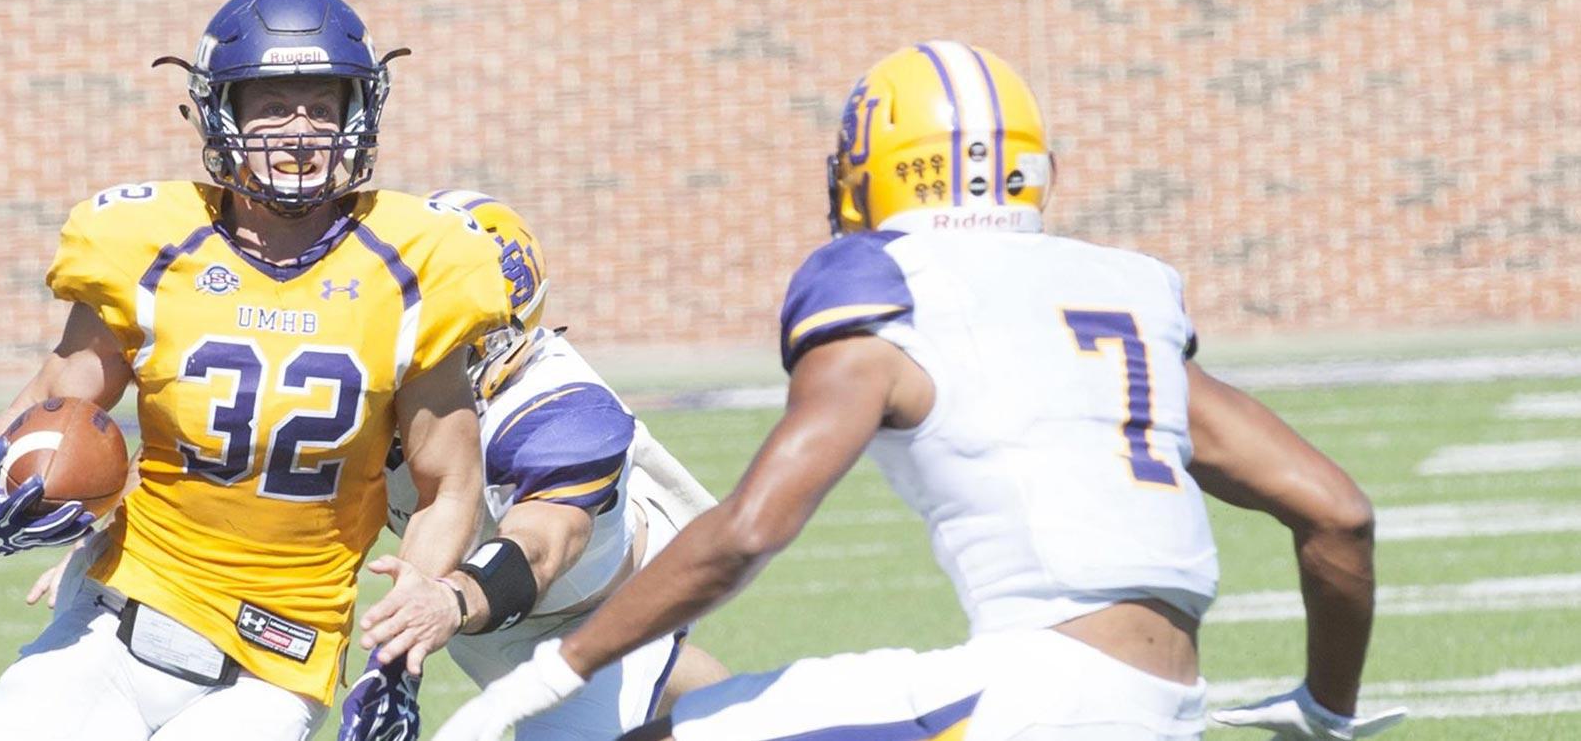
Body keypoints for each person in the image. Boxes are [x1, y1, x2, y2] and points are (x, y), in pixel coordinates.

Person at [428, 42, 1410, 741]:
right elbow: (1338, 514)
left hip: (1029, 697)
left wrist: (558, 667)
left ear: (875, 172)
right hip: (1166, 710)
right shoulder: (1122, 292)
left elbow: (748, 531)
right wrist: (1325, 708)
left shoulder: (886, 285)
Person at [0, 0, 509, 740]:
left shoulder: (421, 263)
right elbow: (60, 397)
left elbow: (450, 482)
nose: (301, 130)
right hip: (115, 623)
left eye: (323, 105)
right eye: (273, 104)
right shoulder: (147, 240)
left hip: (279, 663)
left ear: (361, 113)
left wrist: (410, 617)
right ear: (221, 113)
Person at [337, 191, 729, 741]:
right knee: (684, 697)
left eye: (448, 327)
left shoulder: (562, 411)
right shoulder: (364, 383)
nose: (421, 345)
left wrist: (444, 605)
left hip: (597, 609)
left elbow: (543, 547)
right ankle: (752, 718)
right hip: (483, 612)